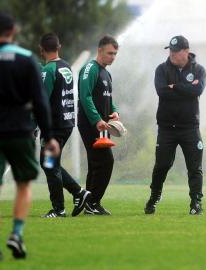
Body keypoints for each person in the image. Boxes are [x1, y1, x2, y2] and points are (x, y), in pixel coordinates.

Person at [0, 10, 59, 261]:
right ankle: (16, 233)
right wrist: (49, 136)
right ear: (13, 31)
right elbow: (40, 102)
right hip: (21, 132)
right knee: (23, 185)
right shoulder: (27, 58)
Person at [144, 35, 206, 215]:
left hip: (190, 128)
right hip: (167, 128)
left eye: (176, 50)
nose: (171, 54)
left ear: (186, 52)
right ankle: (154, 196)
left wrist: (174, 87)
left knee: (195, 168)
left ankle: (196, 202)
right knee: (162, 165)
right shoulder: (161, 69)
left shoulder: (199, 70)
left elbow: (198, 89)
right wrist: (185, 88)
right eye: (170, 50)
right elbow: (162, 92)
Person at [38, 33, 91, 218]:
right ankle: (79, 193)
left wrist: (34, 125)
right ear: (59, 47)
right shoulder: (66, 66)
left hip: (53, 127)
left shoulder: (48, 70)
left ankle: (59, 209)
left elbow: (42, 101)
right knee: (51, 164)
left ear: (41, 49)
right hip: (66, 123)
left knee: (49, 164)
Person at [78, 35, 120, 215]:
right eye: (110, 53)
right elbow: (85, 96)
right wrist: (96, 119)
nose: (113, 57)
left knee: (96, 165)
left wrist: (114, 111)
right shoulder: (89, 69)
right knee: (106, 161)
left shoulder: (106, 73)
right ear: (100, 50)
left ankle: (90, 203)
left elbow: (108, 99)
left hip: (103, 126)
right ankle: (93, 202)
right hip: (91, 124)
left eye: (115, 54)